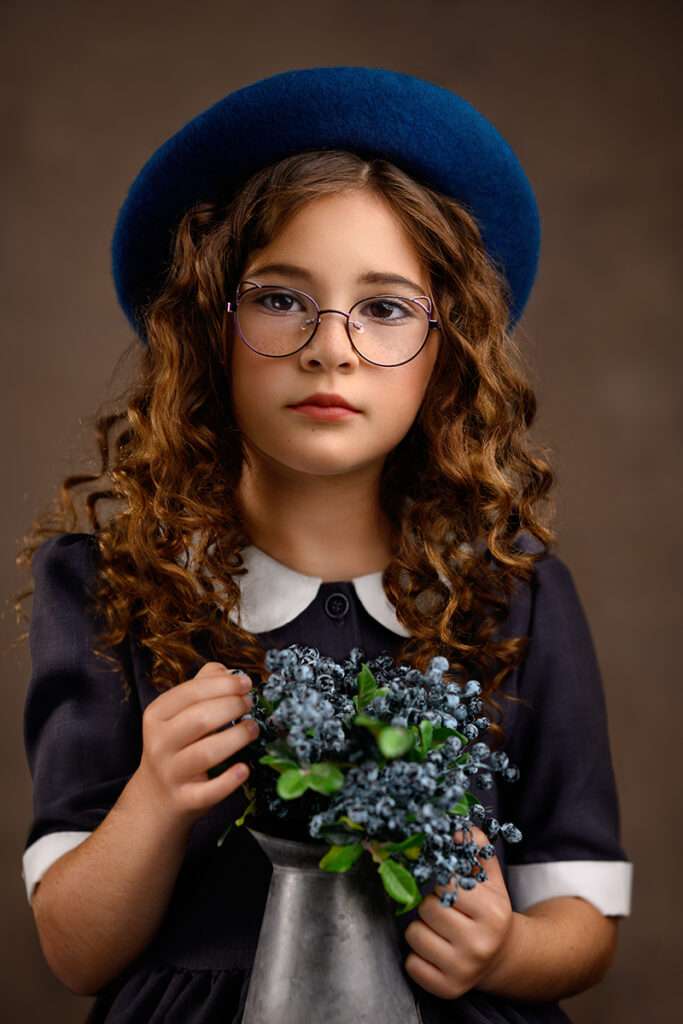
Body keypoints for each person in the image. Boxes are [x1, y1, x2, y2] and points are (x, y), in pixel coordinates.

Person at [17, 67, 633, 1023]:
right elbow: (74, 952)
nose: (330, 347)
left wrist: (507, 947)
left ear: (447, 350)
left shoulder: (513, 593)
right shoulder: (108, 586)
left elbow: (583, 923)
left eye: (385, 308)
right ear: (205, 330)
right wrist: (154, 798)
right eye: (279, 299)